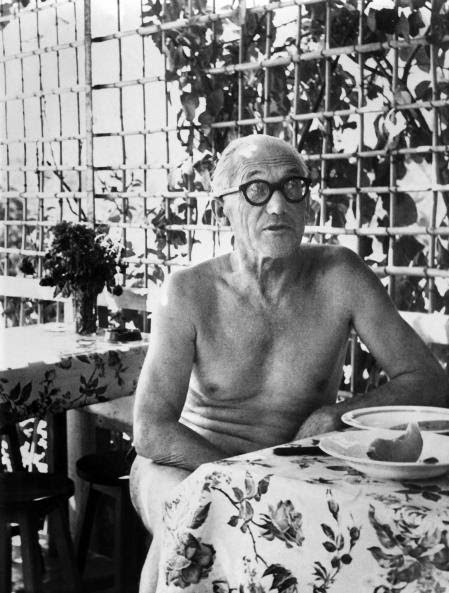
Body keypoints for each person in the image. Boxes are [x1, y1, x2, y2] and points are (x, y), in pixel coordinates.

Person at [130, 134, 448, 592]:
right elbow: (152, 430)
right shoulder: (187, 291)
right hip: (185, 460)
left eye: (292, 186)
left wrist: (333, 415)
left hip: (292, 470)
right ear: (224, 207)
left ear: (307, 202)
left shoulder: (341, 276)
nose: (277, 206)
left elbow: (427, 381)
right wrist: (242, 475)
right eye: (256, 190)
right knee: (192, 511)